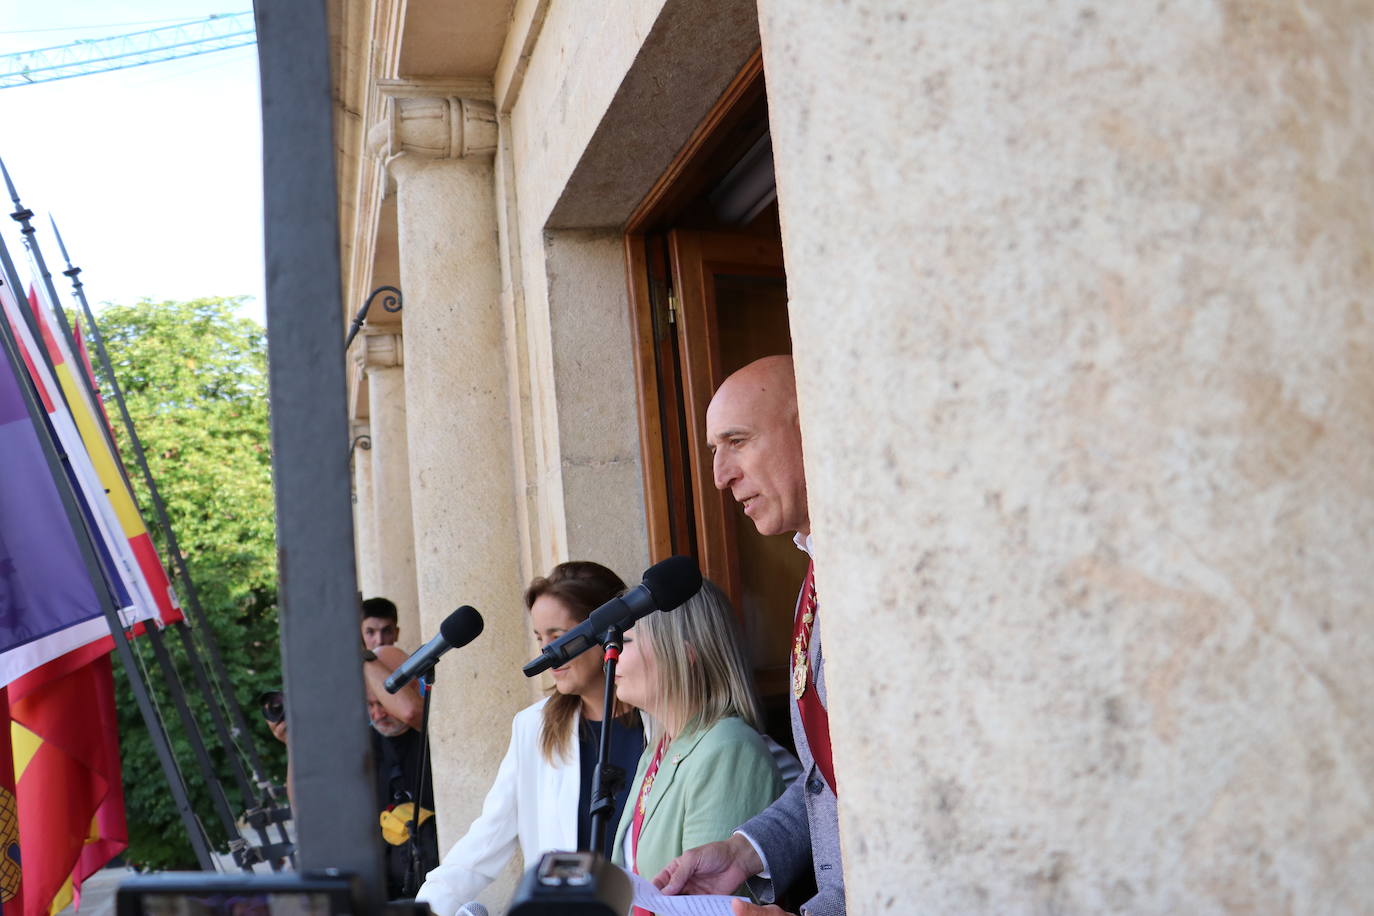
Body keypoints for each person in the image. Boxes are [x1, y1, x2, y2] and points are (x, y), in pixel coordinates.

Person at [653, 355, 842, 916]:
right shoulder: (816, 574)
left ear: (808, 425)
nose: (719, 475)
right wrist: (744, 851)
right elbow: (827, 781)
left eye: (737, 441)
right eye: (715, 450)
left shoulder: (878, 572)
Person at [416, 562, 645, 916]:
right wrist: (423, 908)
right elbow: (483, 844)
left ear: (606, 631)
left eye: (558, 635)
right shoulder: (533, 727)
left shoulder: (658, 719)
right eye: (540, 638)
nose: (547, 653)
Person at [611, 579, 784, 904]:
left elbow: (700, 905)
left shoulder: (728, 749)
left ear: (684, 653)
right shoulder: (658, 748)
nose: (610, 655)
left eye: (627, 641)